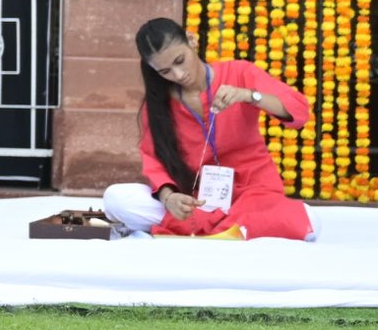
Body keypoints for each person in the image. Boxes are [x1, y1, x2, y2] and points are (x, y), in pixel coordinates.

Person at [103, 18, 316, 241]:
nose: (178, 74)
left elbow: (299, 112)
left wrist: (248, 95)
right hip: (196, 200)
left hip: (252, 193)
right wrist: (169, 198)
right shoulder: (157, 105)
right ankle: (228, 230)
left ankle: (211, 229)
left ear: (192, 41)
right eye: (165, 71)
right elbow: (153, 160)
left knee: (310, 222)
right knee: (117, 198)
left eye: (180, 61)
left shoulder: (239, 73)